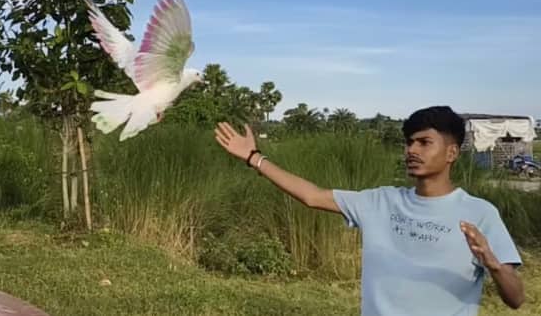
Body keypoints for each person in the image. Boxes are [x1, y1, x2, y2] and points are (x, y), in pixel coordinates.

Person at [214, 105, 524, 315]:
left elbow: (516, 299)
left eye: (424, 142)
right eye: (409, 142)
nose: (411, 150)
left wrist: (495, 266)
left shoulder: (480, 213)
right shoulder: (381, 201)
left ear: (452, 152)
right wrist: (253, 157)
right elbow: (313, 196)